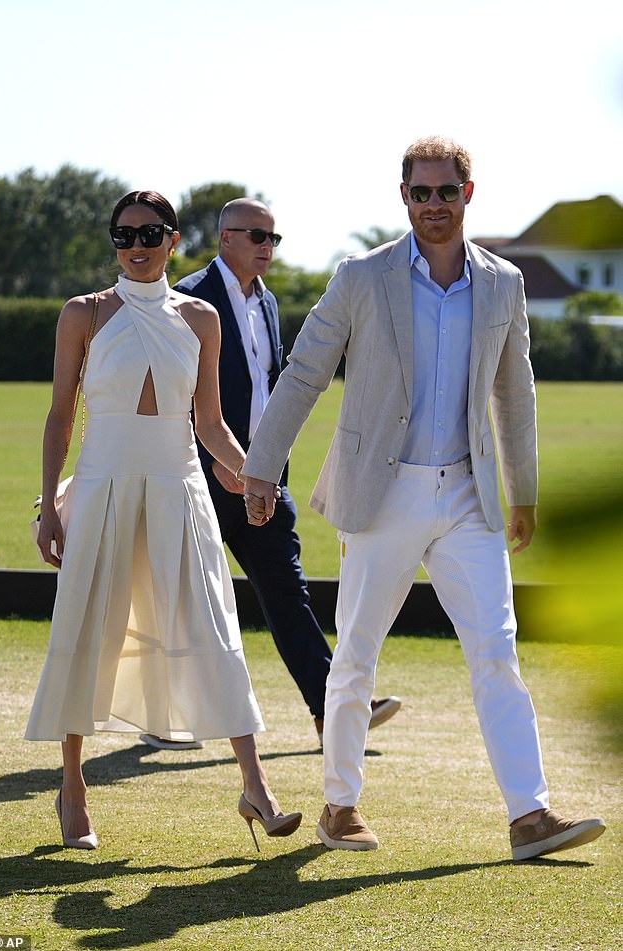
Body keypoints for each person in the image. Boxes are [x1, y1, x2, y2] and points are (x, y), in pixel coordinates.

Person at [241, 137, 606, 860]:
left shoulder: (503, 282)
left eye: (446, 191)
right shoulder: (362, 276)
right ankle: (339, 805)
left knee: (497, 651)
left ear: (469, 194)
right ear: (402, 196)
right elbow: (306, 371)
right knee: (356, 655)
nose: (433, 205)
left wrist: (522, 491)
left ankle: (529, 816)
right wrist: (261, 468)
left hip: (469, 497)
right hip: (384, 493)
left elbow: (514, 391)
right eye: (420, 192)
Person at [25, 190, 301, 853]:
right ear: (113, 241)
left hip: (181, 487)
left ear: (175, 239)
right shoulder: (83, 313)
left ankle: (256, 786)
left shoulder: (202, 317)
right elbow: (62, 413)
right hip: (101, 486)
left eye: (151, 232)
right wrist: (49, 503)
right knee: (86, 626)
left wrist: (253, 475)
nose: (137, 244)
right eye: (124, 234)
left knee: (214, 623)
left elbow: (209, 422)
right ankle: (72, 786)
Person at [137, 197, 399, 752]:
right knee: (185, 594)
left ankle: (331, 710)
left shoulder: (269, 303)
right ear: (224, 237)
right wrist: (214, 460)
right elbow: (167, 391)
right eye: (257, 236)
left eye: (273, 239)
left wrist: (267, 467)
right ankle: (161, 717)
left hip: (260, 475)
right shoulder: (186, 298)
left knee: (286, 589)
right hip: (198, 473)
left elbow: (274, 385)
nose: (266, 247)